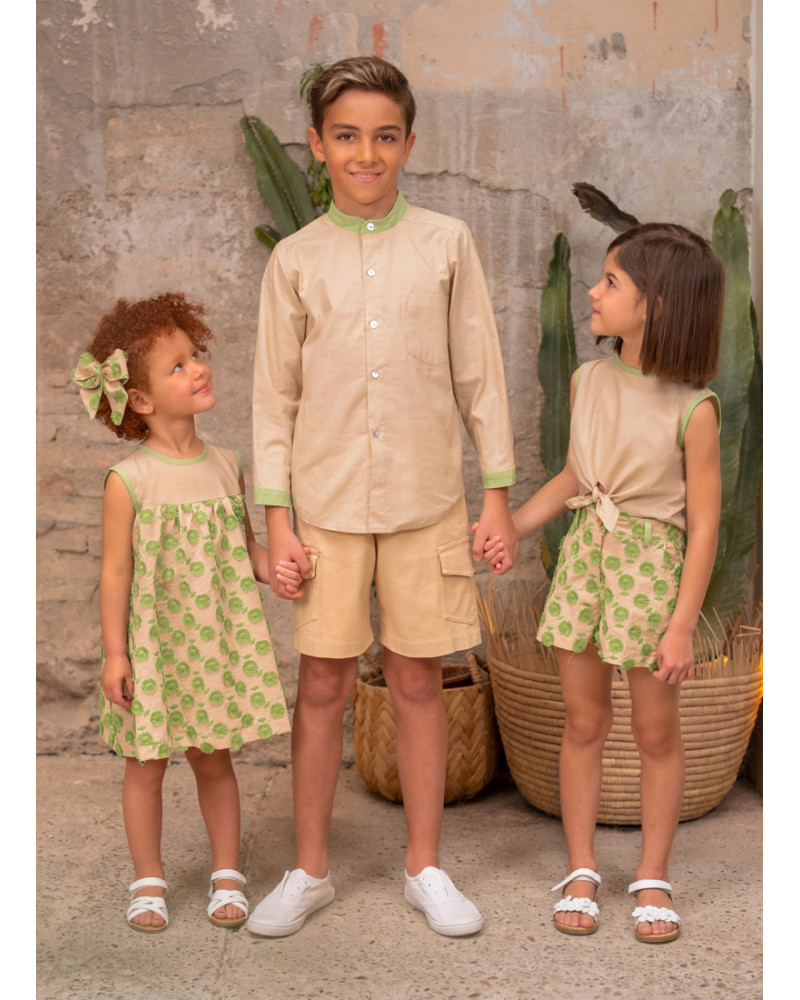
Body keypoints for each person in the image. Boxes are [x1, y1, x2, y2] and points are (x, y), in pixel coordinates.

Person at [247, 56, 517, 939]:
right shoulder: (295, 261)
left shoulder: (446, 244)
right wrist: (279, 521)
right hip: (323, 509)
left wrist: (496, 495)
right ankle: (309, 870)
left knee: (417, 679)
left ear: (409, 143)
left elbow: (480, 374)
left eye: (385, 136)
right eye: (347, 136)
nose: (367, 153)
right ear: (318, 145)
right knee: (322, 683)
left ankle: (425, 867)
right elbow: (274, 399)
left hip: (426, 501)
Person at [485, 223, 724, 943]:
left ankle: (653, 874)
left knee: (656, 732)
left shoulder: (694, 408)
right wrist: (513, 526)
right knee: (583, 721)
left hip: (651, 573)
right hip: (588, 560)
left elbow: (703, 528)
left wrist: (681, 625)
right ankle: (581, 866)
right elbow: (572, 477)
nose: (593, 290)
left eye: (612, 281)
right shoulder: (587, 380)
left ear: (657, 304)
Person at [73, 292, 302, 933]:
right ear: (140, 400)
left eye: (195, 355)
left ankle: (226, 872)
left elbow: (245, 549)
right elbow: (115, 575)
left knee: (214, 759)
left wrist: (280, 565)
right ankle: (148, 880)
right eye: (177, 366)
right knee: (145, 765)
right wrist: (115, 654)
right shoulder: (129, 480)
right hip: (152, 645)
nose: (198, 368)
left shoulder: (227, 466)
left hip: (211, 643)